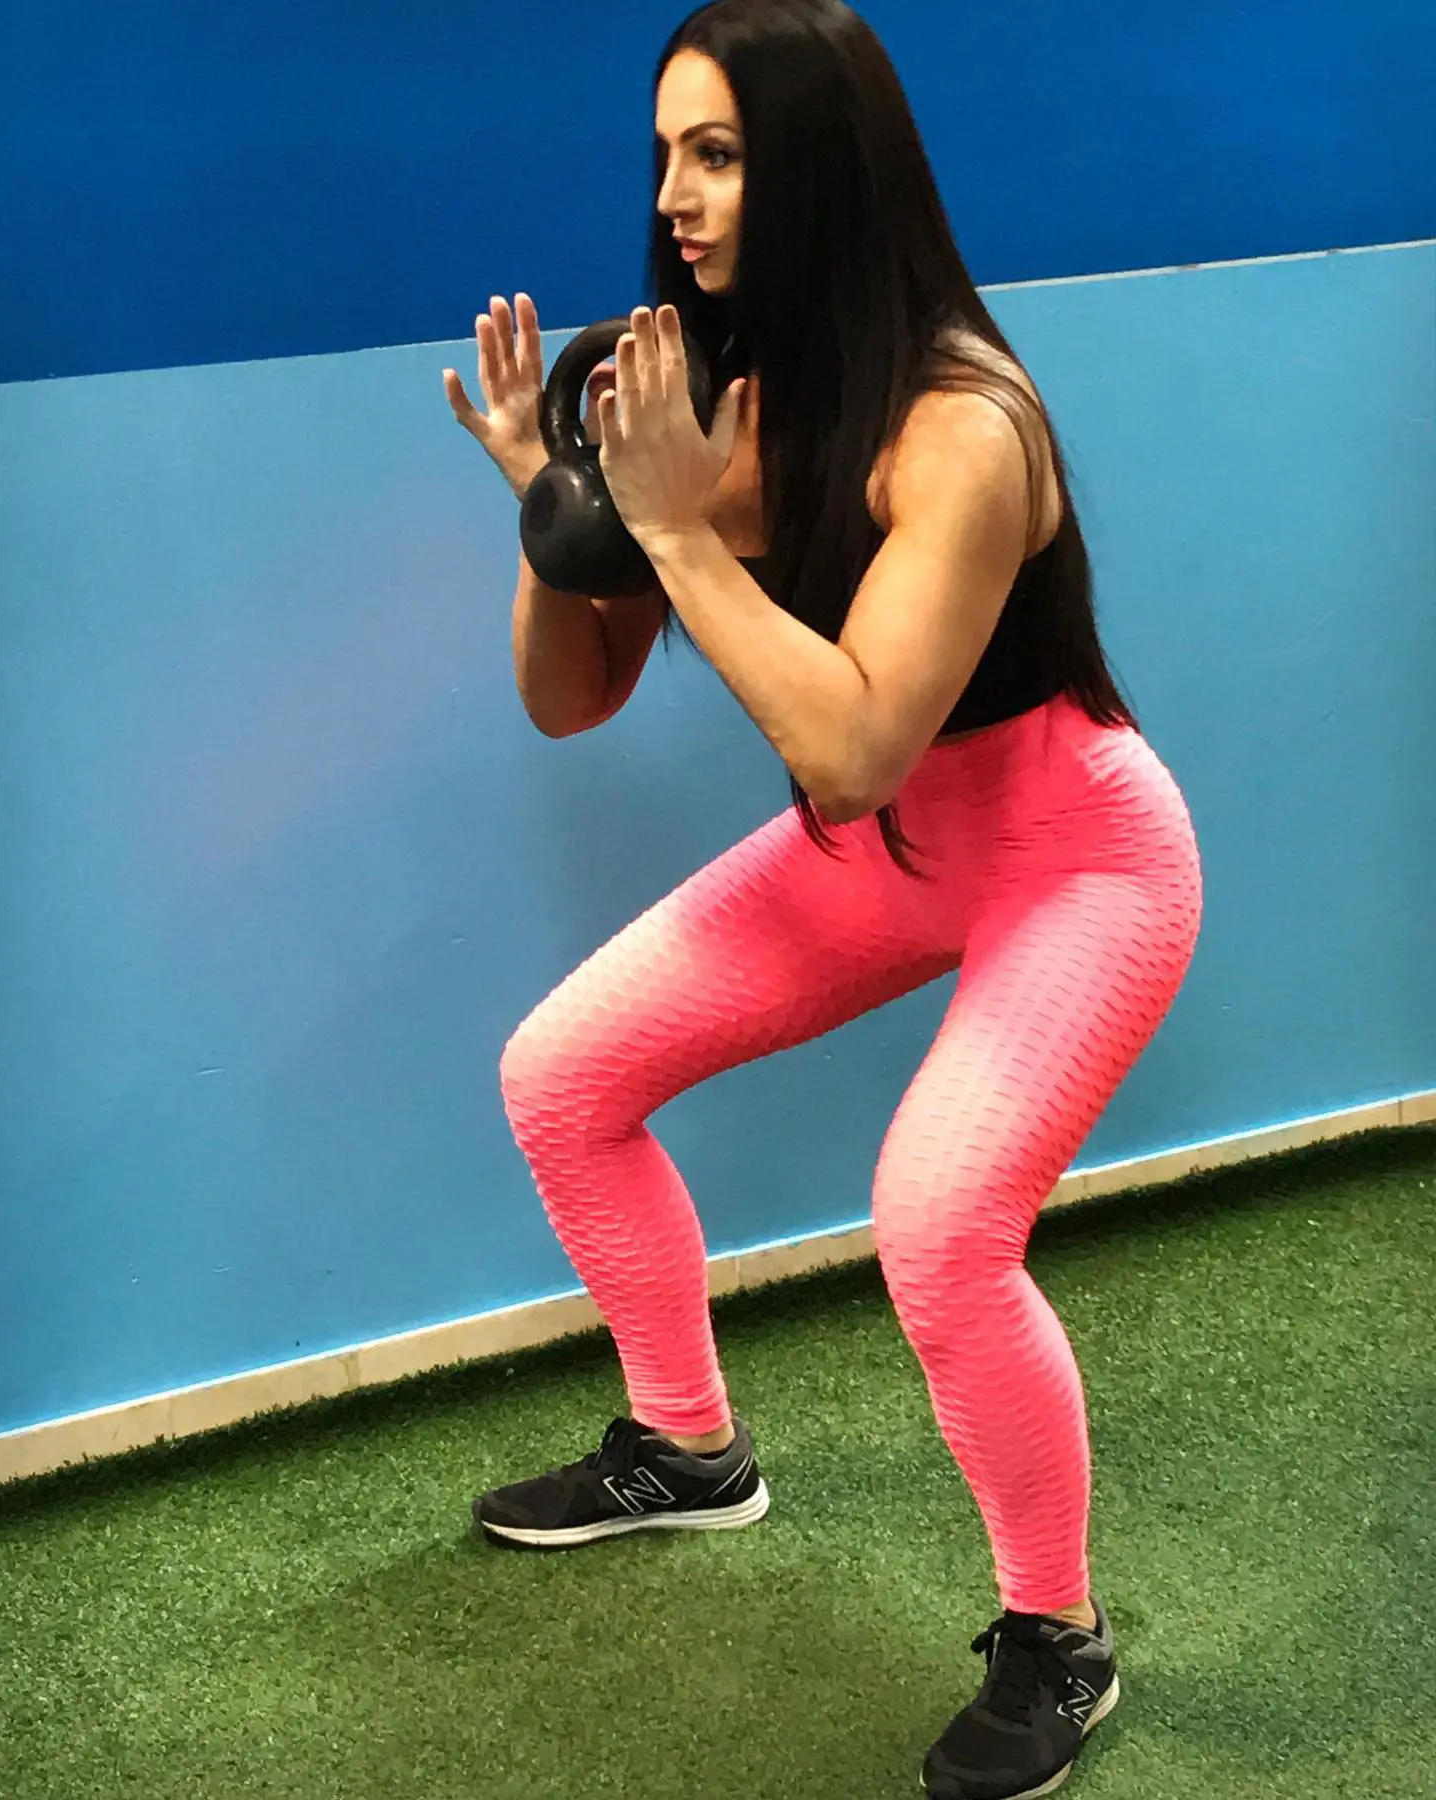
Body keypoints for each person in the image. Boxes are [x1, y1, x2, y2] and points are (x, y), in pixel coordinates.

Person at [442, 4, 1202, 1795]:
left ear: (822, 167)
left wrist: (684, 532)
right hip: (895, 848)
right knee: (562, 1076)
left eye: (717, 154)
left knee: (937, 1229)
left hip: (1076, 853)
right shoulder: (715, 384)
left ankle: (1055, 1640)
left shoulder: (965, 424)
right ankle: (686, 1448)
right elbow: (575, 695)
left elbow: (853, 745)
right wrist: (565, 516)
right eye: (665, 157)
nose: (676, 198)